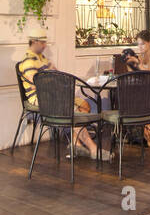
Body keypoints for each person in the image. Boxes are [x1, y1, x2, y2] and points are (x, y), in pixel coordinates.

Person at [17, 31, 102, 159]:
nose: (45, 45)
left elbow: (57, 74)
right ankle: (93, 149)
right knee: (73, 112)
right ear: (34, 42)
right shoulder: (29, 61)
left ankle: (75, 143)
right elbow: (37, 84)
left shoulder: (42, 58)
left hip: (54, 95)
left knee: (84, 105)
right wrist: (54, 80)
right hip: (40, 98)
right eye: (42, 42)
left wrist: (56, 79)